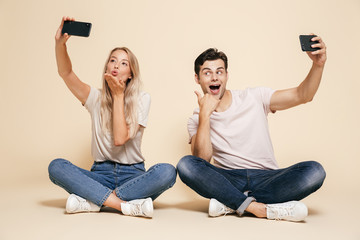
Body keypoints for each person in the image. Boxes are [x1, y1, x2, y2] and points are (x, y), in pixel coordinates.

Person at [177, 35, 327, 222]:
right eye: (207, 73)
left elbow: (302, 95)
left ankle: (233, 204)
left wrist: (318, 65)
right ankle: (259, 208)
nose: (214, 77)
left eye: (220, 71)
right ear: (197, 79)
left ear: (227, 75)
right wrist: (205, 115)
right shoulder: (196, 119)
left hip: (268, 178)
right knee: (186, 165)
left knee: (315, 171)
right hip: (229, 179)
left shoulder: (255, 97)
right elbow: (201, 161)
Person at [48, 16, 176, 218]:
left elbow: (120, 139)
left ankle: (95, 201)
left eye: (124, 63)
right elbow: (66, 72)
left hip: (134, 176)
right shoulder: (94, 98)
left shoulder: (142, 99)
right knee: (56, 166)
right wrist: (59, 44)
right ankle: (124, 205)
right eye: (113, 61)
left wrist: (118, 95)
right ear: (107, 68)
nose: (116, 65)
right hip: (99, 174)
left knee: (167, 172)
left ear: (131, 73)